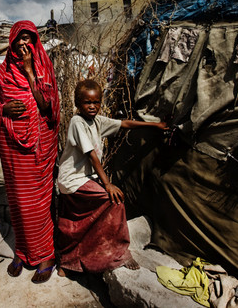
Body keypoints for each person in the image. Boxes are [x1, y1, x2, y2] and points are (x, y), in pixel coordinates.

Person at [56, 79, 167, 277]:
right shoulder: (77, 122)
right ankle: (118, 253)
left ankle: (73, 260)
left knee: (83, 222)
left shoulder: (97, 121)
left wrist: (154, 125)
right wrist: (107, 184)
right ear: (78, 103)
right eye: (87, 102)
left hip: (86, 178)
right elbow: (91, 154)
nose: (92, 106)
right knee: (114, 201)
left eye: (96, 102)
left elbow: (124, 123)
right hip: (72, 180)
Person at [0, 20, 60, 284]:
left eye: (28, 38)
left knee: (37, 202)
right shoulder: (3, 71)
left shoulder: (43, 67)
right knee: (18, 201)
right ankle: (22, 251)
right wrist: (3, 110)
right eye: (19, 38)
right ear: (12, 41)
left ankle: (45, 256)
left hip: (37, 148)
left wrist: (30, 71)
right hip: (10, 146)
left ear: (35, 41)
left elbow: (47, 108)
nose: (23, 43)